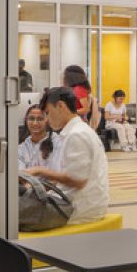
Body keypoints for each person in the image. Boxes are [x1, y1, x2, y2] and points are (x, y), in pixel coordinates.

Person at [27, 86, 108, 224]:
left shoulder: (77, 135)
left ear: (60, 106)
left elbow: (77, 180)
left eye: (48, 112)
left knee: (10, 213)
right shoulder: (78, 131)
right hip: (84, 204)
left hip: (80, 209)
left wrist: (39, 171)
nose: (46, 119)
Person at [17, 102, 53, 171]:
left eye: (40, 119)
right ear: (26, 121)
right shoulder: (22, 147)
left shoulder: (56, 141)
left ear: (47, 121)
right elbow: (20, 174)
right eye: (31, 118)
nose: (35, 123)